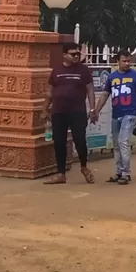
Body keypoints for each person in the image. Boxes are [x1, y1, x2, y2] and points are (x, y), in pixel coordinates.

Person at [45, 44, 97, 184]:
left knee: (80, 140)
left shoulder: (83, 70)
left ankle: (84, 167)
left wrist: (93, 110)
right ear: (64, 55)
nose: (76, 56)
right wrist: (45, 109)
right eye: (72, 54)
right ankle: (61, 173)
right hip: (59, 111)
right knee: (59, 142)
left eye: (77, 54)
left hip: (77, 111)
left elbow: (90, 91)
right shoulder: (56, 70)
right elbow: (50, 92)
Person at [99, 50, 136, 185]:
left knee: (123, 142)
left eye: (128, 61)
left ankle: (126, 173)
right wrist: (96, 110)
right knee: (117, 144)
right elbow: (105, 95)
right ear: (117, 61)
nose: (127, 63)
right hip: (116, 113)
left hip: (130, 114)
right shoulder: (112, 77)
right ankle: (119, 172)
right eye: (124, 61)